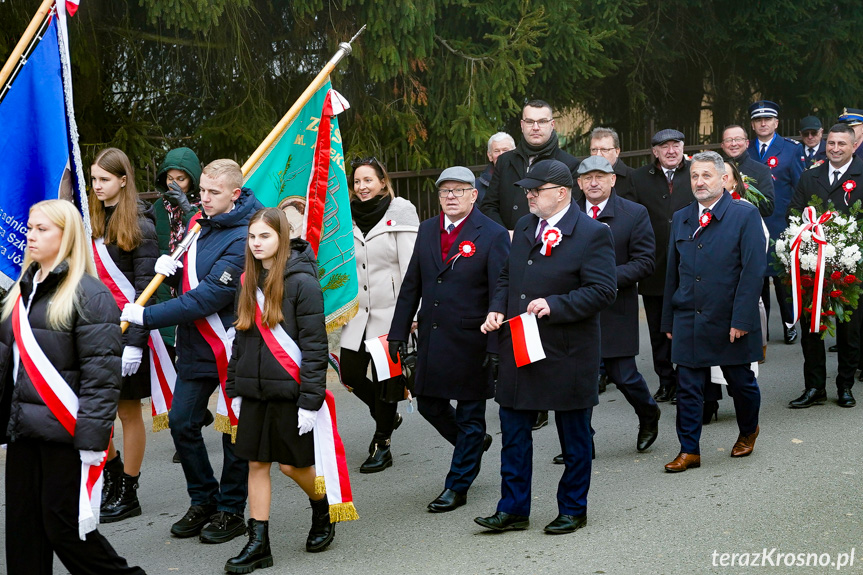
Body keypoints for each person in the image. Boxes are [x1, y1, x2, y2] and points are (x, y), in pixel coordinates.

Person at [121, 159, 263, 544]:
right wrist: (173, 269)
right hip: (196, 345)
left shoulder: (244, 236)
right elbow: (191, 281)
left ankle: (231, 510)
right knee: (183, 422)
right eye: (202, 190)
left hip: (232, 343)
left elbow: (210, 296)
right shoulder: (199, 223)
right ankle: (203, 499)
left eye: (214, 193)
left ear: (235, 194)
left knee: (232, 429)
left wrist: (145, 315)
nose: (204, 198)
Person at [0, 199, 145, 574]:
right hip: (24, 431)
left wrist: (93, 441)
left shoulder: (90, 295)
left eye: (42, 229)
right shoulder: (22, 289)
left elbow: (102, 378)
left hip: (65, 433)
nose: (31, 235)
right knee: (22, 532)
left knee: (65, 529)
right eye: (30, 228)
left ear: (66, 237)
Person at [475, 159, 617, 535]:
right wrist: (495, 309)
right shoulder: (524, 226)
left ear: (562, 193)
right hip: (520, 344)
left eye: (535, 191)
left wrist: (556, 304)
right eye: (526, 190)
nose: (528, 196)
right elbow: (507, 275)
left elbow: (604, 290)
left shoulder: (591, 233)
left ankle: (573, 508)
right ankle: (513, 508)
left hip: (568, 349)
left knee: (574, 437)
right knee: (515, 431)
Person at [389, 166, 510, 513]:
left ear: (474, 195)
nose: (451, 197)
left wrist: (494, 343)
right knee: (428, 403)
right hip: (433, 335)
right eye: (445, 191)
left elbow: (499, 292)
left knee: (472, 415)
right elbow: (412, 283)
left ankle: (457, 485)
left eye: (459, 190)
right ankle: (471, 444)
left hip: (473, 338)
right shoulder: (428, 230)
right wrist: (398, 332)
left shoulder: (493, 233)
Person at [223, 208, 331, 573]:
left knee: (291, 466)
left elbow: (316, 347)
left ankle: (322, 505)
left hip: (290, 393)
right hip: (254, 391)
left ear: (282, 239)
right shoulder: (248, 281)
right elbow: (240, 338)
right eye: (252, 236)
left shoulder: (303, 283)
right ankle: (258, 543)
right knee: (255, 463)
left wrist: (310, 401)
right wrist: (235, 388)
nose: (256, 243)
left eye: (265, 236)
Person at [661, 152, 765, 472]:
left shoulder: (744, 215)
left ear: (723, 179)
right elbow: (672, 272)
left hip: (729, 317)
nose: (699, 182)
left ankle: (748, 430)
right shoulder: (681, 217)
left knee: (741, 383)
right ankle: (689, 449)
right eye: (694, 176)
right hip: (689, 315)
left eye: (707, 175)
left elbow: (752, 271)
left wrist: (743, 319)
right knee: (689, 387)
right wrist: (668, 318)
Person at [88, 148, 160, 523]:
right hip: (94, 334)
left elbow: (144, 289)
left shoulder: (141, 226)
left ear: (123, 180)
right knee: (98, 414)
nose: (97, 186)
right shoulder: (92, 222)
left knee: (128, 413)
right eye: (94, 179)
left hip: (127, 334)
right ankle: (112, 479)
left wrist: (134, 343)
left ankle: (129, 491)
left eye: (104, 179)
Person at [575, 155, 660, 452]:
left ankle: (649, 413)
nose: (594, 183)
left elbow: (646, 261)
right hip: (577, 310)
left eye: (600, 177)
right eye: (587, 178)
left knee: (623, 375)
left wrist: (604, 278)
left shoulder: (633, 213)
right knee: (580, 378)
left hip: (615, 308)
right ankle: (582, 439)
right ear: (579, 183)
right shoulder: (568, 213)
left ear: (613, 180)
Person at [340, 157, 419, 473]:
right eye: (357, 182)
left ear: (383, 181)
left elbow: (411, 268)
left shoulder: (400, 210)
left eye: (367, 180)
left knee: (388, 382)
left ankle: (382, 444)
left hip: (392, 315)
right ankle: (387, 415)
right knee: (350, 374)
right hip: (359, 316)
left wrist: (413, 314)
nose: (361, 187)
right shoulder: (347, 217)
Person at [787, 123, 863, 409]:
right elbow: (793, 212)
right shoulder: (810, 177)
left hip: (851, 268)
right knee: (812, 331)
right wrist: (806, 235)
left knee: (848, 331)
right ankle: (814, 387)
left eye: (841, 144)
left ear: (853, 146)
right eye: (831, 143)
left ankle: (845, 386)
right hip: (812, 267)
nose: (835, 148)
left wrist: (849, 243)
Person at [152, 148, 215, 464]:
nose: (174, 183)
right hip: (167, 293)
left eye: (181, 178)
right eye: (170, 178)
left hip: (195, 292)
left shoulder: (203, 209)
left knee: (193, 363)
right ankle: (195, 416)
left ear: (191, 180)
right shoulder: (156, 210)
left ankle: (193, 418)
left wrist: (187, 207)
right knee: (176, 363)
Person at [628, 129, 694, 403]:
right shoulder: (639, 178)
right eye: (664, 146)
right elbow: (632, 218)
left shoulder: (695, 171)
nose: (671, 151)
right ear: (654, 151)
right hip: (653, 266)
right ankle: (666, 380)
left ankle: (687, 380)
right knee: (658, 329)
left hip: (690, 262)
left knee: (687, 324)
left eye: (676, 145)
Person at [701, 161, 770, 423]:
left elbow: (754, 263)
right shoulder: (696, 213)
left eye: (722, 176)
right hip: (706, 303)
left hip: (735, 299)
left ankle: (747, 423)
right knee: (703, 365)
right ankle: (708, 403)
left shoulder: (746, 213)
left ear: (730, 181)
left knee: (738, 370)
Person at [747, 100, 805, 346]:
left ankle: (790, 324)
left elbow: (800, 187)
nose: (763, 123)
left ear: (776, 123)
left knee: (784, 282)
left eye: (768, 119)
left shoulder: (791, 149)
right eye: (758, 120)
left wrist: (797, 223)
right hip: (752, 226)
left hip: (781, 225)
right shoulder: (745, 150)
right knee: (757, 279)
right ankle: (762, 330)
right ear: (752, 124)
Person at [480, 99, 580, 232]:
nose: (535, 127)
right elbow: (489, 206)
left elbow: (571, 210)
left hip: (550, 242)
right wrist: (504, 235)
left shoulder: (569, 164)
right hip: (508, 243)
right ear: (522, 125)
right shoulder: (505, 160)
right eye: (529, 122)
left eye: (542, 121)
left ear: (552, 124)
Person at [718, 125, 776, 219]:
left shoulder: (761, 170)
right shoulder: (715, 169)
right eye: (728, 140)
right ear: (722, 145)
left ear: (747, 143)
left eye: (738, 139)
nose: (733, 144)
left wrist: (741, 191)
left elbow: (768, 208)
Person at [590, 127, 635, 198]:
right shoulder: (584, 178)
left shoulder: (633, 178)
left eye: (604, 150)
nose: (598, 154)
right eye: (594, 150)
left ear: (617, 151)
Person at [476, 132, 516, 205]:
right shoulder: (477, 186)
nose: (501, 155)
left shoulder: (524, 180)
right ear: (490, 156)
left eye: (505, 150)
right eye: (496, 151)